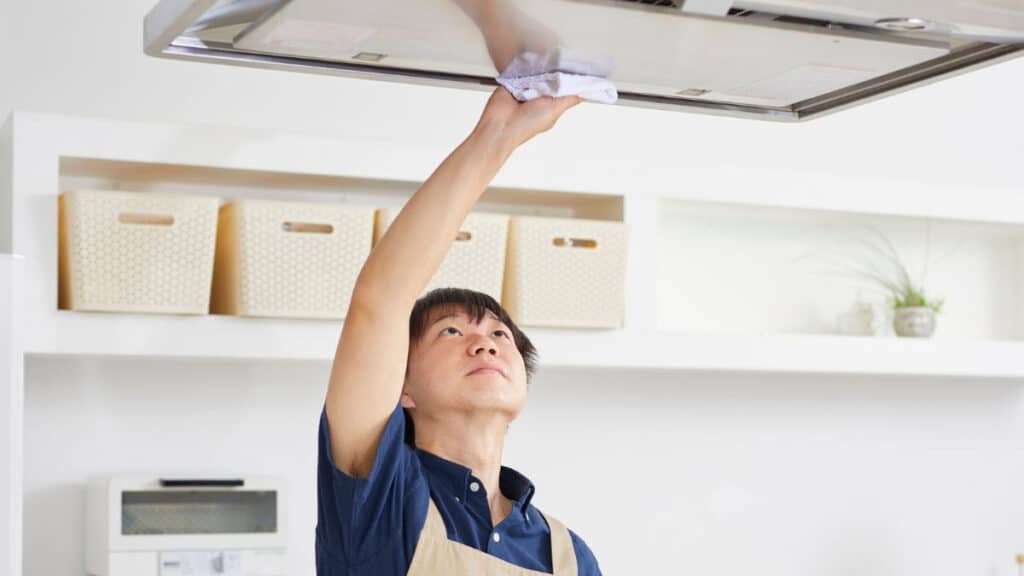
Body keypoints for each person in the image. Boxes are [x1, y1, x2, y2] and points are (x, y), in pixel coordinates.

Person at [316, 86, 601, 575]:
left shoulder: (568, 555)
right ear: (401, 386)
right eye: (451, 332)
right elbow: (380, 301)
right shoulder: (379, 496)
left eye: (501, 335)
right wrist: (497, 137)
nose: (485, 342)